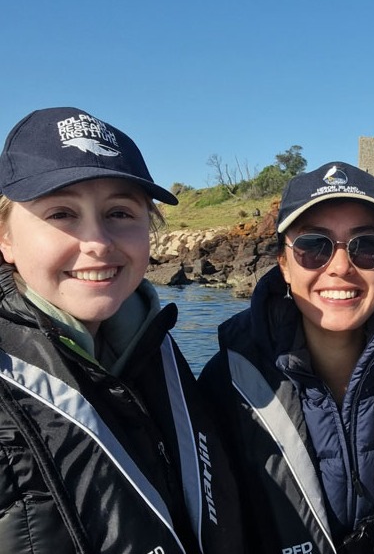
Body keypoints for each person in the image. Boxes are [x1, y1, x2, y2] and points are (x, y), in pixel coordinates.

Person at [198, 162, 374, 553]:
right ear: (283, 264)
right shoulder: (226, 381)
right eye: (313, 246)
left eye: (367, 246)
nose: (341, 267)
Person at [0, 107, 244, 553]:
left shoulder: (153, 347)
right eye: (61, 213)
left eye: (119, 212)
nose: (97, 243)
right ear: (6, 238)